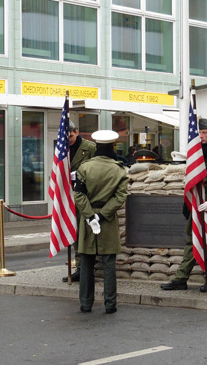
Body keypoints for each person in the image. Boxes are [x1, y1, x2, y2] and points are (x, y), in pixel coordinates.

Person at [161, 118, 207, 293]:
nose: (201, 136)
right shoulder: (197, 152)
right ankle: (181, 278)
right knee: (191, 241)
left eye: (204, 133)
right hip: (197, 202)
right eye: (200, 132)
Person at [73, 130, 128, 314]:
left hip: (87, 219)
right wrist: (102, 215)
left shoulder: (85, 167)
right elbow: (120, 196)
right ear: (112, 146)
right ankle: (110, 304)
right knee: (109, 262)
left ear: (96, 147)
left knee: (87, 261)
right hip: (107, 218)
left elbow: (79, 194)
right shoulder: (119, 169)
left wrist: (89, 216)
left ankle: (85, 303)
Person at [62, 121, 96, 282]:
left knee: (85, 232)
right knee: (74, 231)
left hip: (85, 195)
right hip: (70, 195)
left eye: (70, 136)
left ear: (76, 132)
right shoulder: (62, 147)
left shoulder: (89, 147)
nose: (68, 139)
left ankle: (87, 268)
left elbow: (97, 168)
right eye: (66, 137)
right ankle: (79, 267)